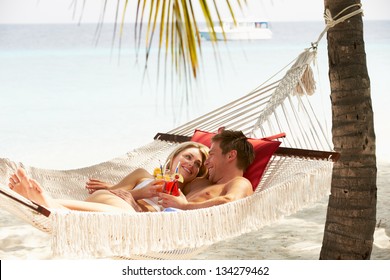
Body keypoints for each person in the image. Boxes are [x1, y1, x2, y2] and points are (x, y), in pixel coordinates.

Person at [8, 141, 209, 213]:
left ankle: (47, 203)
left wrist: (138, 207)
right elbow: (114, 192)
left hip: (127, 217)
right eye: (188, 157)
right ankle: (47, 202)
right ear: (175, 157)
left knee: (124, 216)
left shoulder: (183, 197)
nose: (191, 164)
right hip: (112, 202)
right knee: (123, 214)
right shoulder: (142, 174)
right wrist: (139, 193)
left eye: (197, 164)